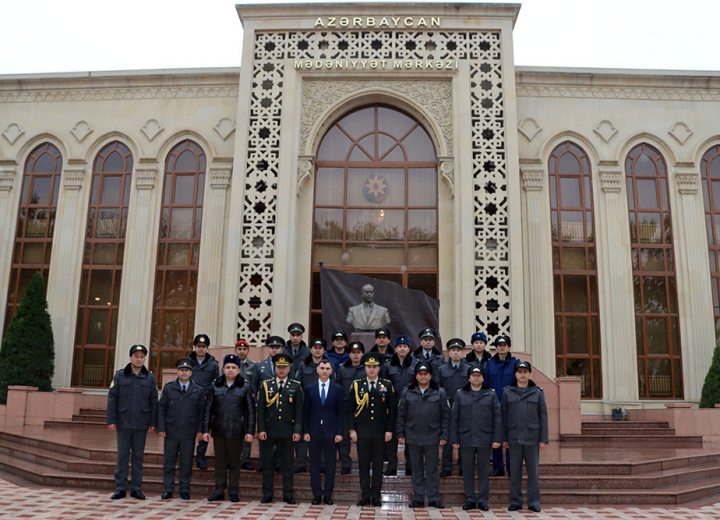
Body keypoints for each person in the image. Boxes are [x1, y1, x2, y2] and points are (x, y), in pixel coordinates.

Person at [202, 354, 256, 502]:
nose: (230, 370)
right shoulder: (215, 386)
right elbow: (208, 409)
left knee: (234, 463)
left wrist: (250, 431)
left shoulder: (245, 386)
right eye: (228, 367)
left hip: (237, 431)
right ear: (223, 369)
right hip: (219, 430)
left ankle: (233, 491)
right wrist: (206, 430)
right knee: (219, 462)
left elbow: (251, 411)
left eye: (233, 367)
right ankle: (219, 491)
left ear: (238, 369)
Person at [107, 344, 157, 500]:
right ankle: (120, 488)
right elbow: (112, 399)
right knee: (122, 456)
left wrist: (153, 422)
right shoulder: (120, 376)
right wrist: (111, 420)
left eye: (142, 356)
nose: (139, 359)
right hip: (123, 422)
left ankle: (136, 488)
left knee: (138, 457)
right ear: (130, 358)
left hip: (141, 423)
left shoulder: (149, 377)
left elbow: (153, 402)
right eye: (136, 356)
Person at [396, 362, 449, 509]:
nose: (423, 376)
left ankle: (433, 498)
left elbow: (445, 415)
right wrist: (400, 433)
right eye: (420, 374)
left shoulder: (439, 392)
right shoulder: (407, 392)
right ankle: (418, 498)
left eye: (426, 374)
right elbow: (401, 415)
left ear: (430, 375)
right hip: (413, 436)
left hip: (433, 436)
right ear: (416, 375)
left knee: (432, 469)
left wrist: (445, 435)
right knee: (416, 468)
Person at [347, 352, 396, 507]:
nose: (372, 370)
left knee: (378, 465)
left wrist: (389, 430)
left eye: (374, 367)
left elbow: (392, 410)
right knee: (363, 465)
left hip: (380, 433)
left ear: (379, 368)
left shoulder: (386, 385)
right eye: (369, 367)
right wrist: (352, 430)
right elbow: (349, 410)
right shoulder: (356, 385)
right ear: (365, 368)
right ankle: (365, 494)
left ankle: (376, 495)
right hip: (362, 433)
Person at [450, 366, 502, 511]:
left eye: (479, 375)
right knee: (467, 471)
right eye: (473, 375)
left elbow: (497, 418)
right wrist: (454, 439)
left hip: (485, 438)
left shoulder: (490, 394)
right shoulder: (461, 394)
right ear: (469, 378)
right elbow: (454, 418)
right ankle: (470, 499)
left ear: (483, 378)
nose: (476, 378)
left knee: (484, 471)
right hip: (466, 438)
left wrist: (497, 438)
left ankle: (483, 500)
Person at [257, 353, 304, 504]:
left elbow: (298, 411)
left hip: (288, 432)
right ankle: (267, 494)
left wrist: (297, 430)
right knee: (268, 464)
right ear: (275, 368)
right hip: (269, 432)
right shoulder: (266, 385)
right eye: (279, 367)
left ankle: (288, 494)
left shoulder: (295, 386)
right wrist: (261, 429)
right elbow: (262, 410)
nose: (282, 370)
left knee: (288, 465)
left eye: (284, 367)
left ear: (289, 369)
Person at [502, 361, 548, 513]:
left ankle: (533, 502)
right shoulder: (507, 392)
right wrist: (503, 438)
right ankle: (515, 501)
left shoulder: (537, 392)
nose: (522, 374)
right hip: (514, 437)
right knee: (515, 472)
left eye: (525, 371)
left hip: (532, 438)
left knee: (533, 473)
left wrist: (543, 439)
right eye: (519, 371)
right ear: (515, 374)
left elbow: (543, 416)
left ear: (529, 373)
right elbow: (503, 416)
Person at [157, 357, 205, 500]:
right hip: (171, 430)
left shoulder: (198, 389)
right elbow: (161, 409)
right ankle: (168, 488)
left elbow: (202, 412)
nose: (184, 372)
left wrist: (201, 430)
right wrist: (161, 426)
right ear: (177, 372)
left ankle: (184, 488)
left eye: (187, 370)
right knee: (169, 462)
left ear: (191, 372)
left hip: (189, 432)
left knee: (186, 462)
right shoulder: (169, 387)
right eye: (181, 370)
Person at [303, 359, 345, 505]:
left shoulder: (338, 389)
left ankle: (328, 494)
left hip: (331, 433)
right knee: (314, 465)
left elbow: (341, 413)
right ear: (317, 370)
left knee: (330, 465)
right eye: (322, 368)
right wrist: (305, 430)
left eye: (327, 368)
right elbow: (305, 412)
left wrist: (340, 432)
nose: (325, 371)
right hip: (314, 432)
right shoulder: (309, 389)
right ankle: (317, 494)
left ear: (331, 371)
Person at [380, 334, 417, 476]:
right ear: (395, 348)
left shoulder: (416, 364)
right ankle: (391, 466)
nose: (402, 349)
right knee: (392, 439)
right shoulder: (388, 365)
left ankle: (411, 466)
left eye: (405, 346)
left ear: (409, 348)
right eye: (399, 346)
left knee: (410, 437)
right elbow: (383, 386)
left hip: (411, 407)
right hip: (392, 406)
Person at [484, 335, 519, 477]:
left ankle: (512, 467)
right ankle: (498, 467)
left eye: (504, 345)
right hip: (494, 406)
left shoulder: (515, 363)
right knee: (496, 437)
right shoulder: (490, 363)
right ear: (496, 347)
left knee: (511, 438)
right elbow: (486, 384)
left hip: (511, 407)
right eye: (499, 345)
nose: (502, 347)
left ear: (509, 347)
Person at [437, 338, 470, 477]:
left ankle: (463, 466)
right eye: (452, 351)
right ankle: (447, 467)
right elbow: (438, 389)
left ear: (462, 353)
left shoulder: (469, 369)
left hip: (465, 408)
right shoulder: (441, 369)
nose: (455, 353)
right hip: (447, 408)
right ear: (448, 353)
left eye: (458, 351)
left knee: (464, 438)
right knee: (447, 438)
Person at [251, 336, 285, 473]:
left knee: (282, 437)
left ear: (282, 349)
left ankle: (278, 464)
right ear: (268, 348)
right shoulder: (259, 366)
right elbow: (254, 386)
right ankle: (264, 463)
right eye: (272, 347)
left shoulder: (289, 366)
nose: (275, 350)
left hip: (283, 407)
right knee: (263, 436)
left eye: (277, 347)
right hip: (265, 408)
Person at [189, 333, 219, 470]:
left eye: (204, 346)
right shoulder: (187, 362)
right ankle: (187, 457)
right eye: (199, 346)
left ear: (207, 348)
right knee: (188, 430)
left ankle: (201, 457)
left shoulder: (213, 364)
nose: (201, 349)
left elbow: (216, 383)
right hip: (189, 401)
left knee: (204, 429)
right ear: (194, 347)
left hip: (206, 402)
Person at [336, 341, 366, 474]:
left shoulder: (367, 369)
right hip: (345, 408)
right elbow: (337, 387)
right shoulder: (343, 369)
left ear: (362, 354)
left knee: (363, 438)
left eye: (358, 353)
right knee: (344, 439)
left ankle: (364, 464)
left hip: (363, 408)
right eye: (353, 353)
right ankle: (345, 464)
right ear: (349, 354)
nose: (355, 355)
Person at [234, 339, 257, 471]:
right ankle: (233, 458)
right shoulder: (229, 365)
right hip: (232, 404)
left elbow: (254, 385)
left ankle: (245, 459)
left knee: (247, 432)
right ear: (235, 350)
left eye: (244, 349)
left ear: (248, 351)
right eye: (239, 349)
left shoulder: (254, 366)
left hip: (247, 404)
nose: (242, 351)